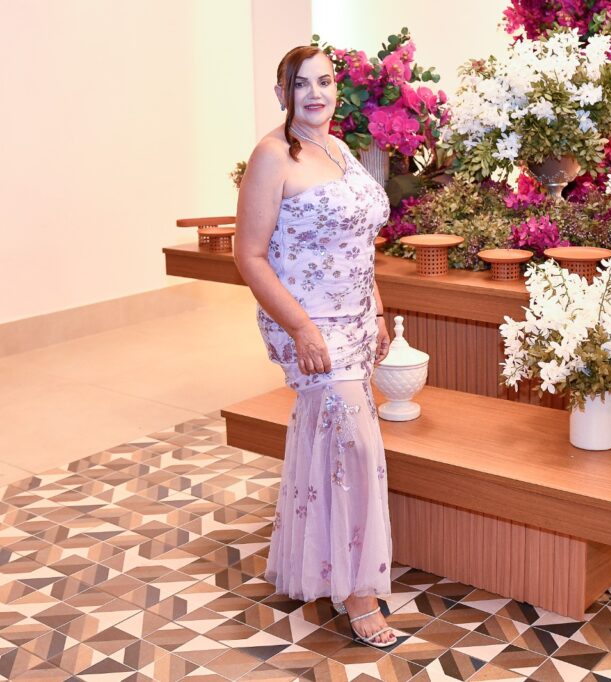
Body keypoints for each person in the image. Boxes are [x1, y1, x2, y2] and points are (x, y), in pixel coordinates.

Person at [234, 45, 396, 648]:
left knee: (337, 445)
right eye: (301, 84)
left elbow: (358, 244)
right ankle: (358, 592)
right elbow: (249, 255)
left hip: (356, 320)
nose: (315, 94)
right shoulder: (273, 155)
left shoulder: (340, 149)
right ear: (282, 93)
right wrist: (302, 329)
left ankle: (325, 562)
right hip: (310, 324)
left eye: (324, 82)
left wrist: (378, 308)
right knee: (353, 445)